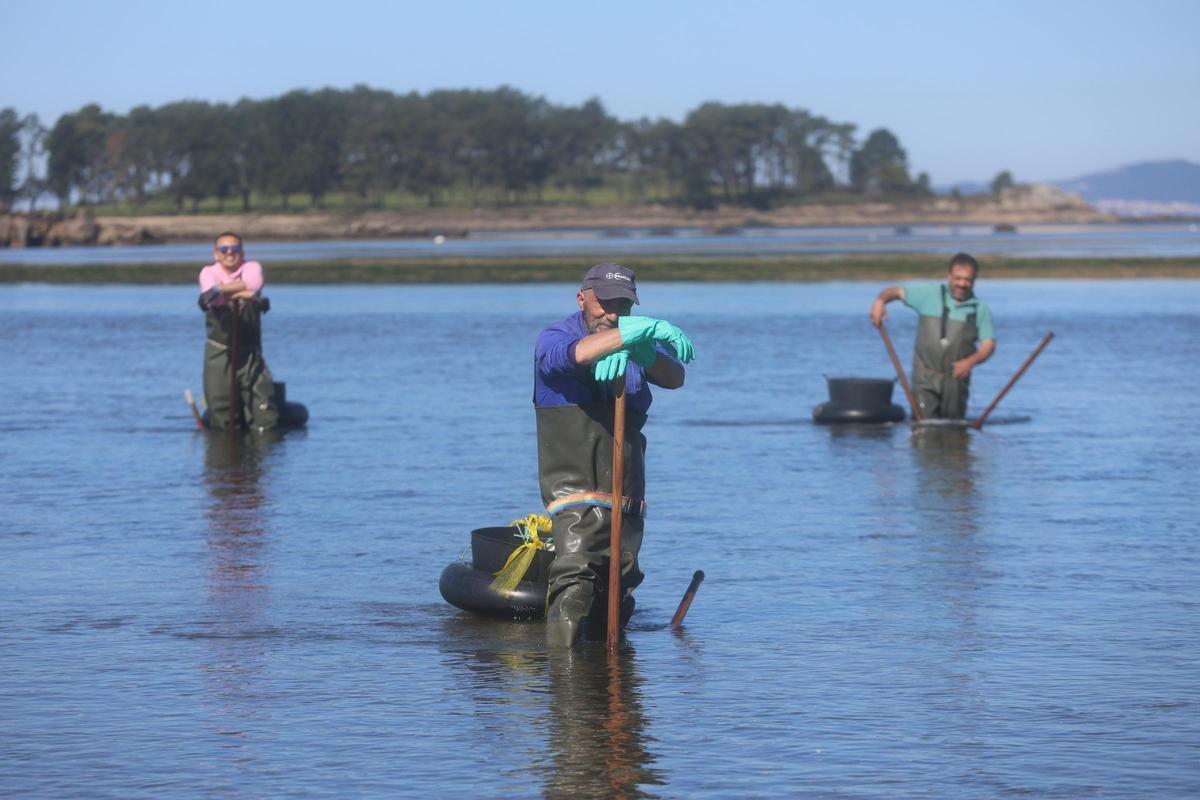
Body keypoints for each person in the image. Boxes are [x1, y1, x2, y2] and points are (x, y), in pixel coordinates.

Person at [534, 263, 695, 647]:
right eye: (604, 304)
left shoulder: (632, 338)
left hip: (626, 491)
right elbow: (570, 356)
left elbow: (675, 377)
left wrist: (645, 350)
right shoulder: (555, 337)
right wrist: (630, 334)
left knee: (622, 579)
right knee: (577, 575)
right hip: (577, 491)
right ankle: (569, 687)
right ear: (582, 299)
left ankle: (617, 686)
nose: (612, 314)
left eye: (623, 306)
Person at [869, 252, 996, 419]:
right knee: (923, 429)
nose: (962, 284)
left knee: (954, 433)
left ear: (974, 280)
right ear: (949, 276)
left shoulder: (980, 309)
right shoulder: (929, 294)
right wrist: (880, 301)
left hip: (956, 380)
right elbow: (896, 292)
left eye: (968, 279)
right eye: (958, 278)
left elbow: (988, 345)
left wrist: (970, 362)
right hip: (924, 378)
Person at [197, 232, 278, 432]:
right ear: (216, 254)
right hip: (219, 351)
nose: (230, 253)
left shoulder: (252, 267)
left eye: (235, 249)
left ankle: (259, 455)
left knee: (264, 415)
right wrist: (244, 292)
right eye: (224, 249)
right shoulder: (208, 271)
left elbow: (254, 285)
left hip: (250, 352)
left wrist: (224, 290)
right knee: (222, 412)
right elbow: (209, 296)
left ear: (242, 252)